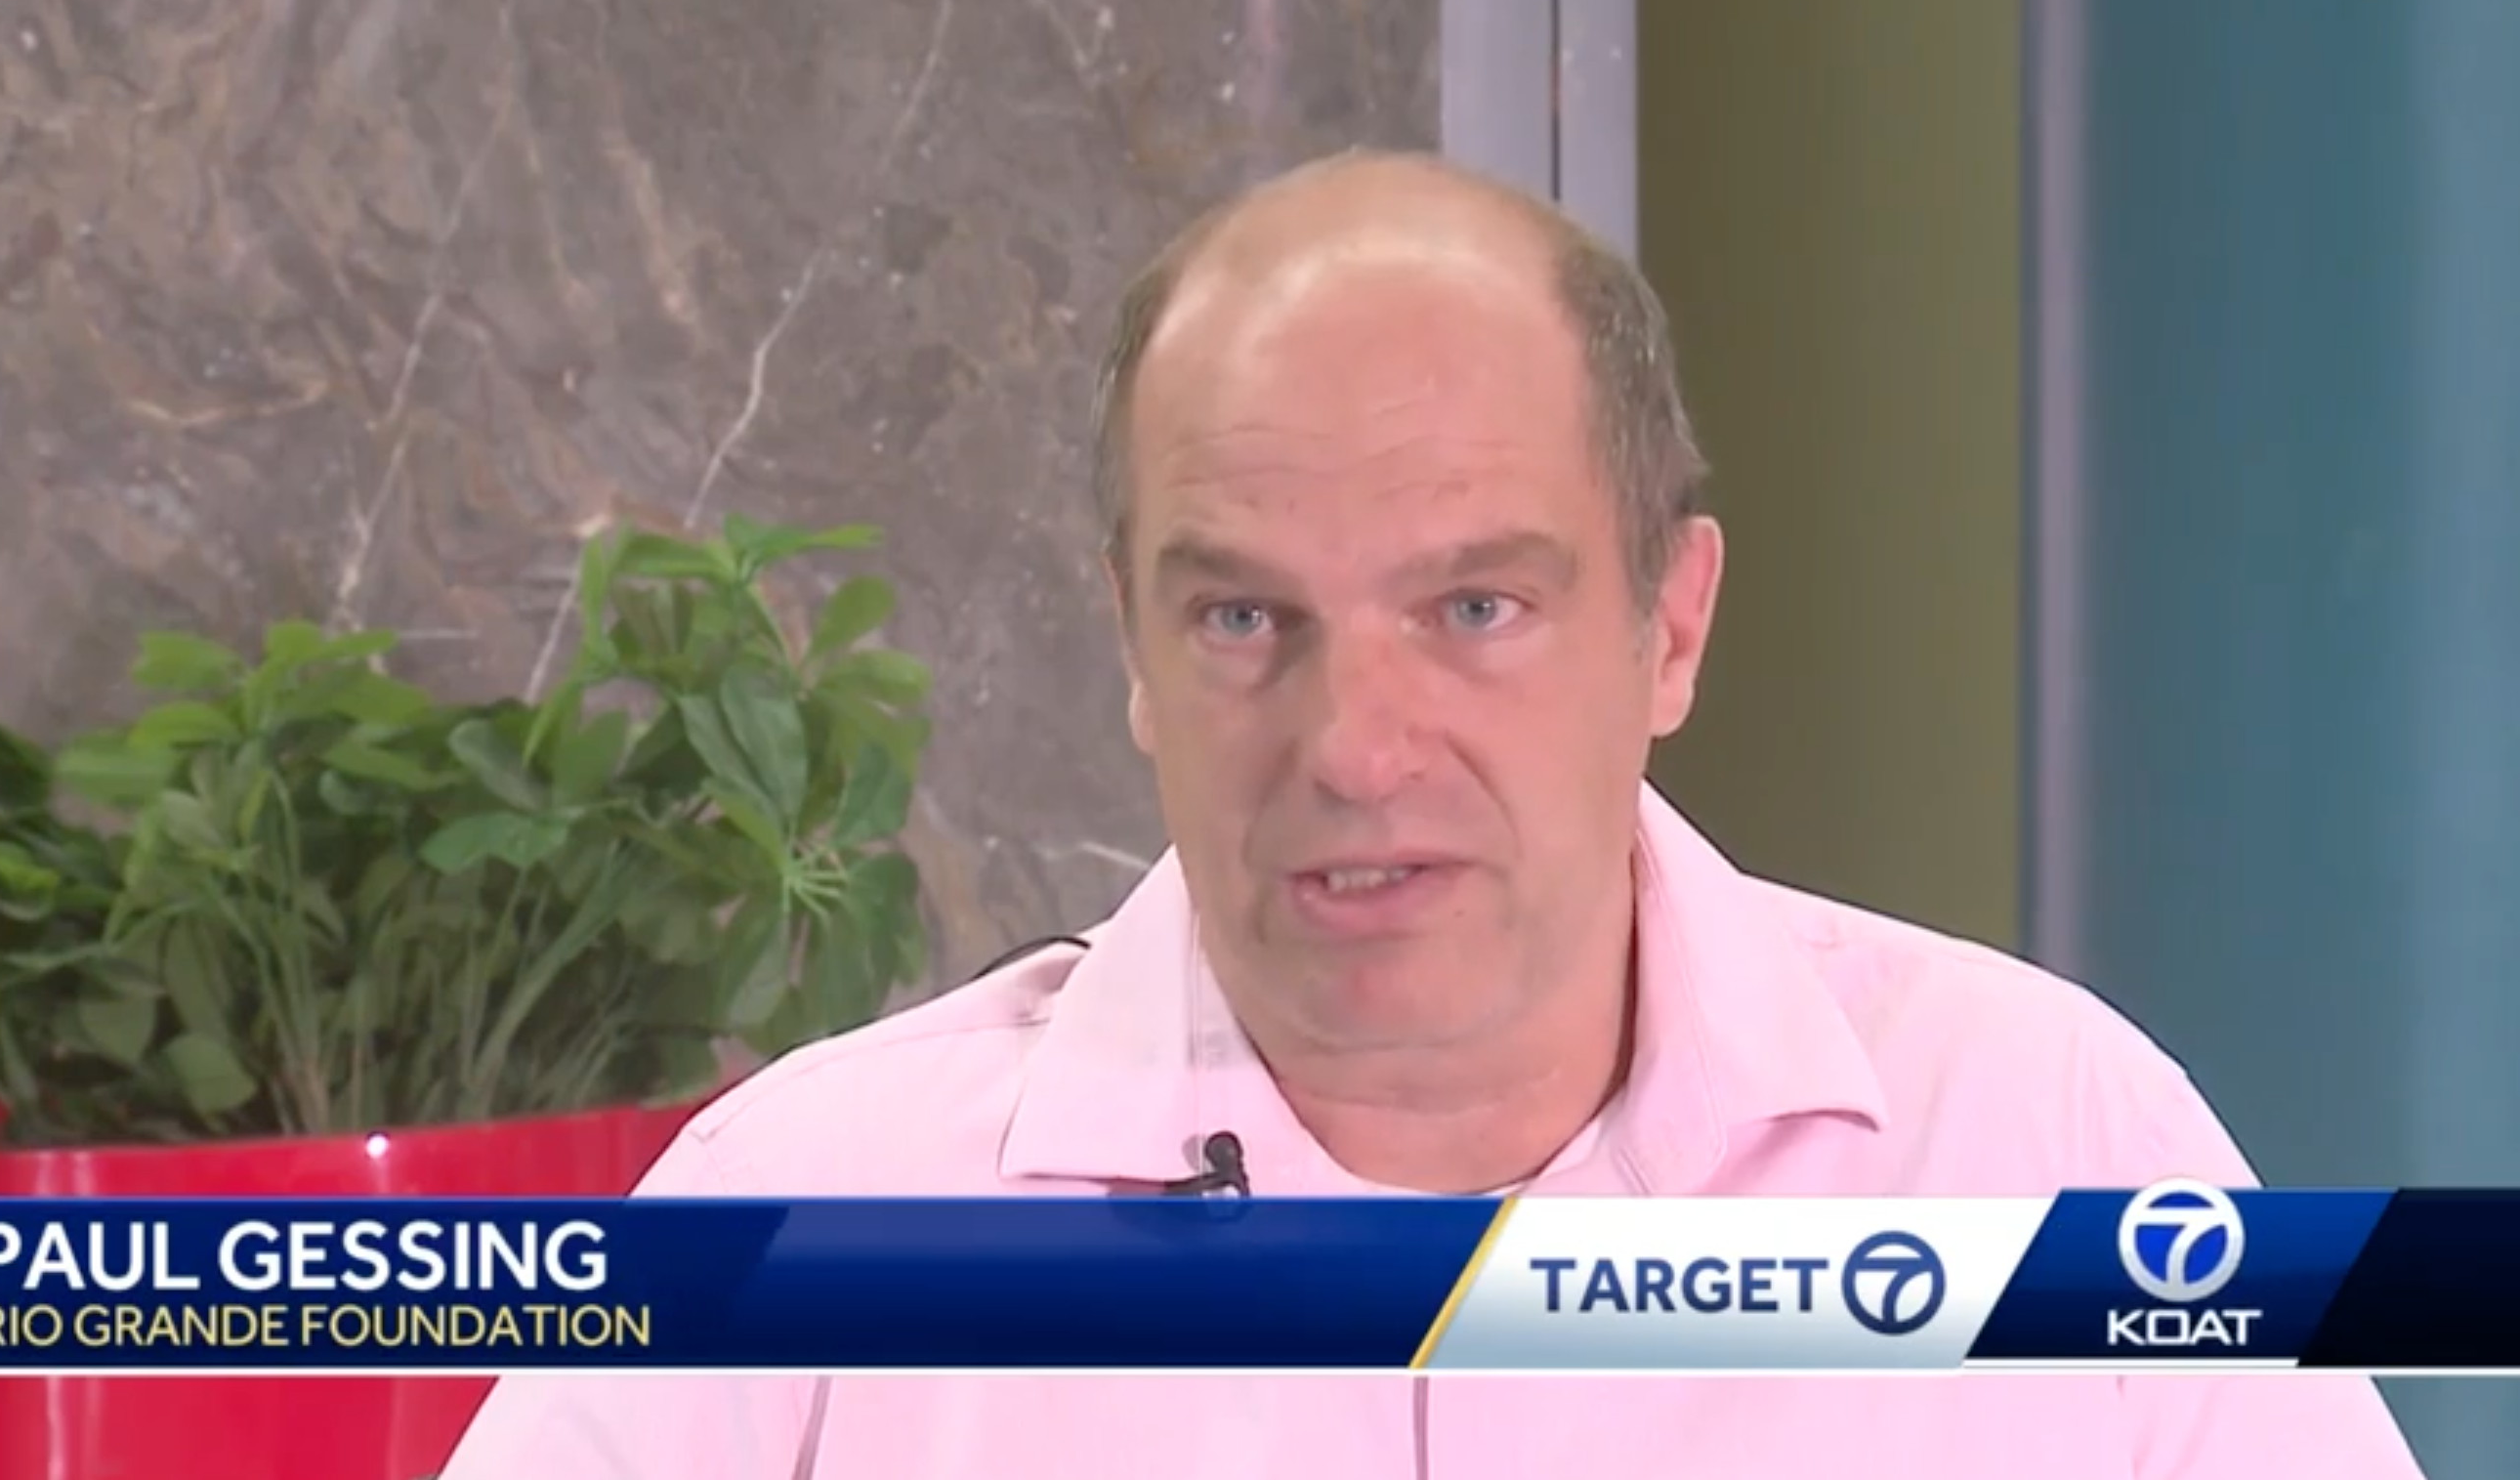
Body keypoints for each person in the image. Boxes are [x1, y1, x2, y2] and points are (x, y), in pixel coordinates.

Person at [439, 150, 2423, 1478]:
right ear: (1130, 642)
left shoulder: (2053, 1151)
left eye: (1473, 608)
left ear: (1668, 624)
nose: (1355, 746)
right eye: (1242, 619)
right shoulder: (786, 1230)